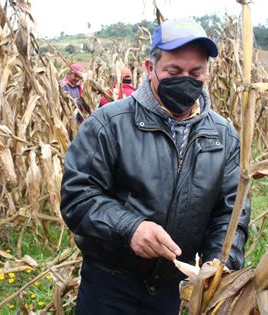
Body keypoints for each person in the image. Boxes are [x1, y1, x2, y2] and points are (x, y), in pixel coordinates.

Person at [60, 17, 250, 314]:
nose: (186, 80)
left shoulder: (223, 136)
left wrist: (219, 264)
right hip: (110, 285)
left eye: (196, 72)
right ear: (150, 68)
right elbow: (78, 198)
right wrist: (130, 228)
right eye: (174, 71)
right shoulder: (108, 124)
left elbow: (231, 212)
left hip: (172, 289)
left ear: (208, 74)